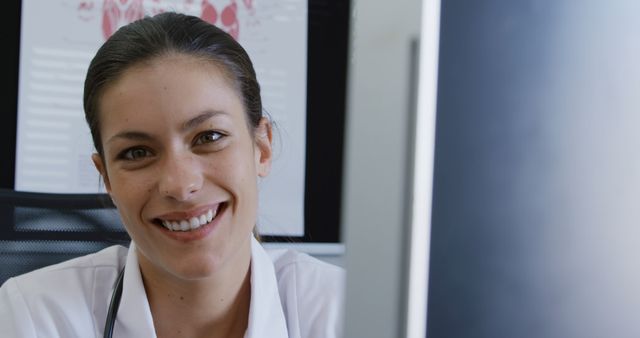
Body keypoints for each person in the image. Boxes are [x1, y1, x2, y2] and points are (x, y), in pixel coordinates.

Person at [0, 12, 344, 338]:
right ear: (106, 178)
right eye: (137, 153)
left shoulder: (343, 312)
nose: (180, 185)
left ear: (262, 148)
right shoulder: (36, 315)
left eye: (209, 137)